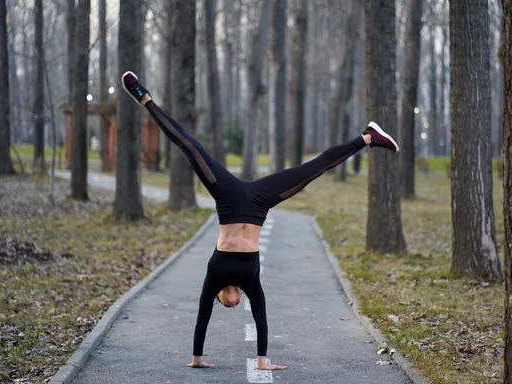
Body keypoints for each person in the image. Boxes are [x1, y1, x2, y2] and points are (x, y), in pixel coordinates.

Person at [121, 71, 399, 371]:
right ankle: (368, 137)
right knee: (312, 170)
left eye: (228, 305)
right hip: (258, 203)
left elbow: (202, 315)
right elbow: (261, 316)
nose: (235, 305)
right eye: (236, 305)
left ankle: (143, 97)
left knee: (189, 147)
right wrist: (263, 361)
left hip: (226, 197)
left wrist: (196, 359)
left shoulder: (214, 275)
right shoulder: (249, 281)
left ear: (221, 297)